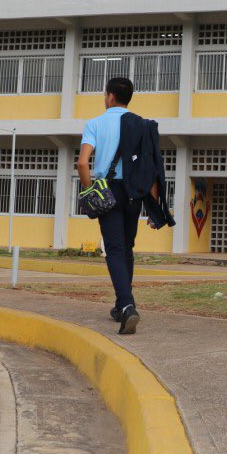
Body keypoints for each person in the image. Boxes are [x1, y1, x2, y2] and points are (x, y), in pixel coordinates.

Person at [77, 77, 150, 335]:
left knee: (115, 250)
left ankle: (128, 306)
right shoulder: (141, 125)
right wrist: (153, 207)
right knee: (127, 248)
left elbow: (83, 163)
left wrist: (89, 191)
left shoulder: (95, 123)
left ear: (109, 97)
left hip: (107, 190)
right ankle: (121, 305)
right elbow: (148, 168)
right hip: (134, 192)